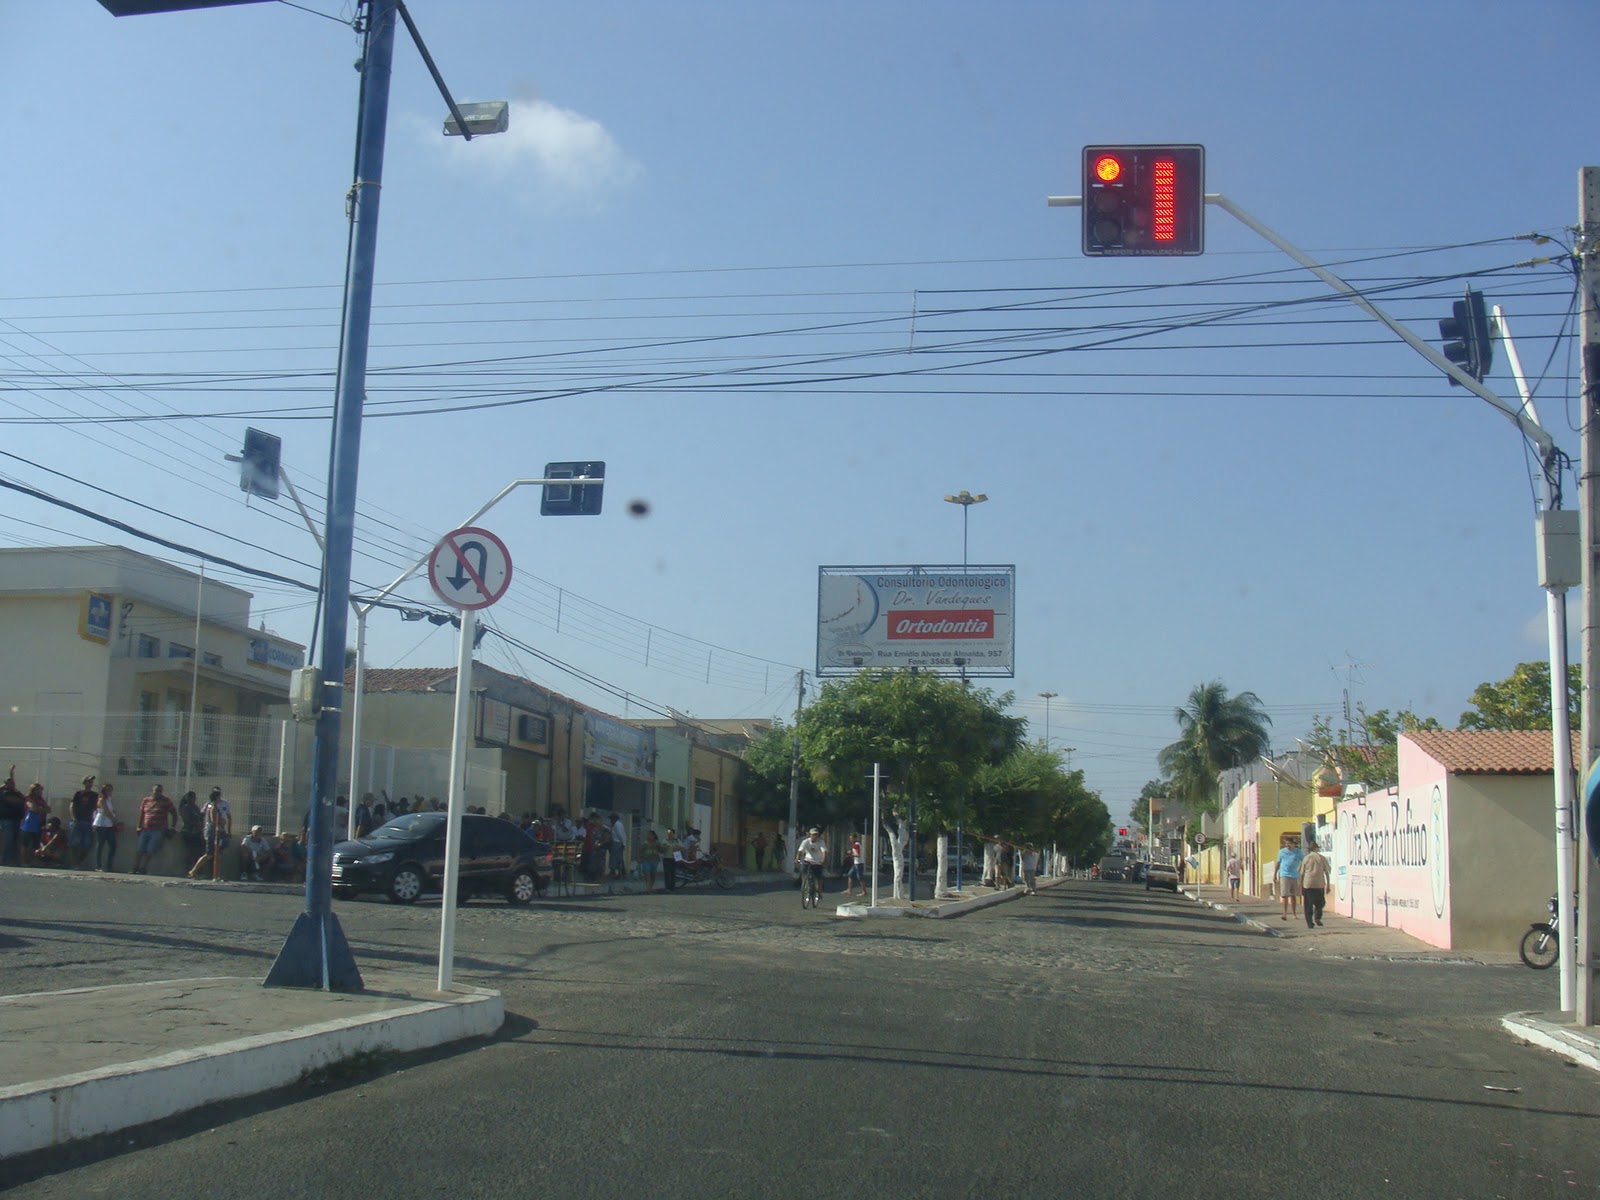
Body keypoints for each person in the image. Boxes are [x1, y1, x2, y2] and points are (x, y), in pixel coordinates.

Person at [188, 787, 232, 880]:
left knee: (217, 852)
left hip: (217, 831)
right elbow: (213, 820)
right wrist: (221, 821)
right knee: (209, 853)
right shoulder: (212, 806)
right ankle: (193, 871)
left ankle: (216, 874)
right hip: (212, 832)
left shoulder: (214, 805)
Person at [133, 784, 176, 875]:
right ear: (152, 791)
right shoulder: (146, 800)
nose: (157, 793)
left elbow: (174, 813)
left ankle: (143, 867)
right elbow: (142, 814)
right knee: (140, 849)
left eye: (159, 791)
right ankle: (135, 867)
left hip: (158, 829)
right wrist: (138, 826)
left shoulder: (166, 801)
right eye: (156, 790)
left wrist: (172, 827)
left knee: (150, 850)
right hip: (145, 828)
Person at [1299, 836, 1332, 929]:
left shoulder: (1306, 859)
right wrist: (1328, 885)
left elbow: (1301, 873)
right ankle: (1317, 917)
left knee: (1308, 905)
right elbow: (1327, 872)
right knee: (1320, 903)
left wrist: (1300, 885)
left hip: (1308, 884)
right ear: (1317, 849)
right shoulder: (1322, 858)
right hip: (1319, 884)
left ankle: (1309, 923)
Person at [68, 775, 98, 869]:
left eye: (91, 782)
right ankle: (74, 863)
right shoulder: (78, 794)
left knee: (87, 844)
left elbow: (95, 808)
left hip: (88, 821)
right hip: (77, 820)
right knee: (74, 843)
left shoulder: (94, 795)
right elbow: (72, 806)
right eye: (88, 781)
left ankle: (79, 862)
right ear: (84, 782)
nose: (90, 784)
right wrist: (73, 818)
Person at [1273, 834, 1305, 922]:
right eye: (1286, 844)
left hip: (1294, 875)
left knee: (1293, 895)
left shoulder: (1298, 852)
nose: (1287, 845)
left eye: (1289, 844)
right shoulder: (1282, 852)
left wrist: (1302, 871)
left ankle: (1294, 914)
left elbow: (1304, 861)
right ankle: (1285, 914)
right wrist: (1275, 874)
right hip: (1284, 875)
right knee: (1284, 895)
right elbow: (1278, 863)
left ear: (1293, 844)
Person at [0, 766, 25, 867]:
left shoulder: (16, 793)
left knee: (15, 840)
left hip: (17, 819)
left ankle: (13, 860)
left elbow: (23, 799)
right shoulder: (3, 793)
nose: (12, 785)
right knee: (8, 840)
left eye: (13, 783)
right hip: (7, 820)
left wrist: (12, 774)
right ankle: (6, 859)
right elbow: (12, 800)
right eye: (9, 784)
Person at [20, 783, 50, 865]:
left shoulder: (41, 800)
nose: (40, 791)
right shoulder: (28, 798)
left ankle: (31, 860)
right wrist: (41, 809)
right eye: (39, 790)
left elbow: (48, 809)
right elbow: (33, 808)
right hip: (28, 824)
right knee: (25, 843)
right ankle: (23, 861)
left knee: (34, 844)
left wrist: (41, 809)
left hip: (38, 824)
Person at [93, 782, 119, 872]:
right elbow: (107, 812)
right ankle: (98, 866)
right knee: (100, 844)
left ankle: (109, 866)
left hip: (109, 825)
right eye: (107, 790)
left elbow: (112, 810)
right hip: (101, 824)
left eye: (110, 790)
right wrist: (114, 820)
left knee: (113, 845)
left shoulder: (109, 800)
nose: (108, 791)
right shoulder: (102, 800)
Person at [795, 825, 828, 896]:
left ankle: (819, 893)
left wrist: (824, 860)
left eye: (816, 835)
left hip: (818, 862)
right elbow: (800, 851)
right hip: (807, 861)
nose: (815, 836)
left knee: (819, 878)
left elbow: (824, 852)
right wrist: (797, 858)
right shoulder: (805, 841)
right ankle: (805, 884)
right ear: (810, 835)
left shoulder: (821, 842)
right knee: (803, 871)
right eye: (813, 835)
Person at [609, 812, 627, 879]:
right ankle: (615, 872)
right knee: (615, 858)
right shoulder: (614, 825)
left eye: (612, 818)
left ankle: (620, 873)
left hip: (617, 842)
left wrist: (623, 843)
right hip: (616, 843)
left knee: (618, 858)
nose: (611, 820)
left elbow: (620, 835)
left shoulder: (617, 825)